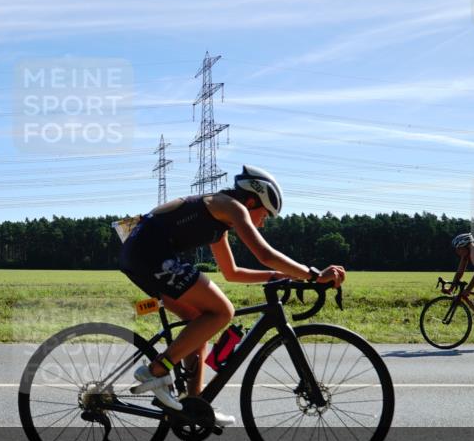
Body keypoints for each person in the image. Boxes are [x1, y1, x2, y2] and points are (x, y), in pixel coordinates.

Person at [119, 165, 345, 422]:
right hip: (149, 254)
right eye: (265, 214)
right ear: (250, 201)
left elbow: (231, 272)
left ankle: (194, 406)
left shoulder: (218, 219)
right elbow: (265, 254)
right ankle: (155, 370)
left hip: (139, 255)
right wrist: (313, 274)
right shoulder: (230, 206)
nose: (264, 221)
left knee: (200, 323)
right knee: (223, 311)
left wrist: (277, 276)